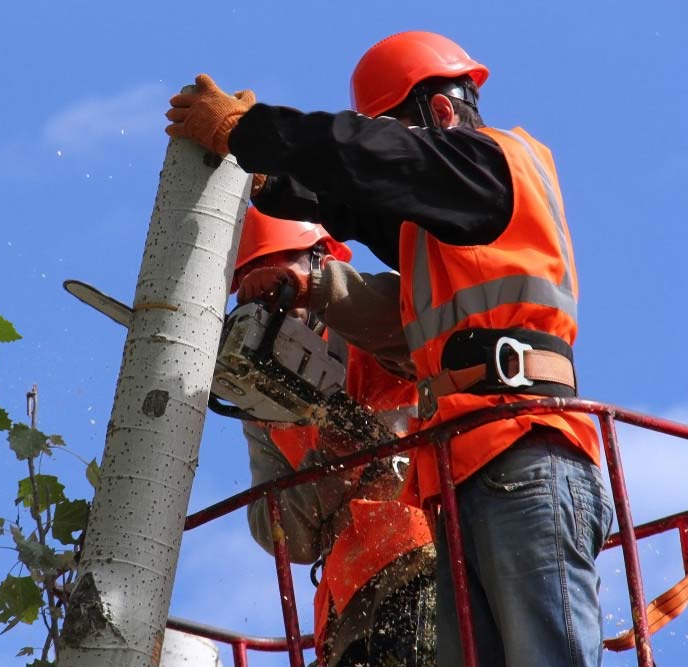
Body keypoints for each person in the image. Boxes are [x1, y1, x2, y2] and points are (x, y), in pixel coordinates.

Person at [168, 31, 614, 667]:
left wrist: (253, 130)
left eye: (396, 129)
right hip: (461, 473)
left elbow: (370, 160)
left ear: (438, 113)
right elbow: (357, 199)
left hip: (523, 448)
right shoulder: (443, 222)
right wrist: (268, 179)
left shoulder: (492, 164)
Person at [234, 206, 435, 666]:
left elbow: (432, 340)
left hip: (424, 550)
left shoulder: (377, 309)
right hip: (344, 601)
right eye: (253, 289)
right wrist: (325, 467)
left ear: (321, 260)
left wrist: (367, 436)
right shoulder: (260, 402)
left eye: (276, 281)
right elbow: (282, 537)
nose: (269, 301)